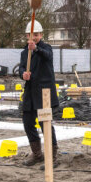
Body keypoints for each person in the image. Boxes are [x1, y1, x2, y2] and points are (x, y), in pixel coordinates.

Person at [18, 20, 58, 166]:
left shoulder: (46, 48)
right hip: (30, 93)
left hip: (44, 93)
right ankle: (37, 154)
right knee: (28, 122)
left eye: (36, 34)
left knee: (45, 123)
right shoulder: (24, 53)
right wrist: (23, 74)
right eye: (30, 35)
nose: (33, 37)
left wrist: (36, 49)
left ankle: (52, 156)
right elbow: (21, 68)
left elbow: (47, 56)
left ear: (41, 34)